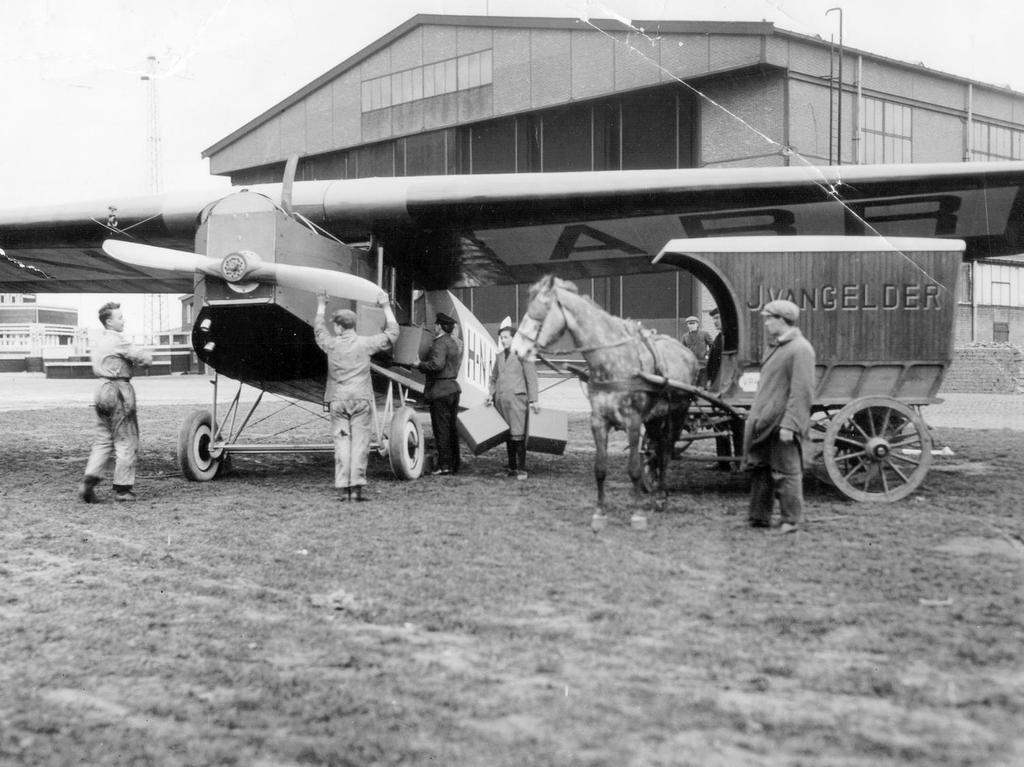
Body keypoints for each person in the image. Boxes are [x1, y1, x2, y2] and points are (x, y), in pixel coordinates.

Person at [314, 288, 398, 501]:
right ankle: (356, 489)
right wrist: (386, 306)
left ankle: (343, 489)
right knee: (360, 445)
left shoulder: (331, 345)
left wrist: (322, 304)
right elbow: (393, 333)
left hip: (338, 400)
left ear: (340, 326)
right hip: (361, 399)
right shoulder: (365, 343)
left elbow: (319, 329)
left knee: (342, 443)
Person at [742, 299, 816, 534]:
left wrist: (790, 425)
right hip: (765, 420)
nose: (765, 323)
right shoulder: (778, 347)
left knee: (787, 471)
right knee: (760, 467)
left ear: (782, 321)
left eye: (769, 318)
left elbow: (802, 391)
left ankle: (790, 521)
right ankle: (759, 517)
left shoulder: (800, 349)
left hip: (781, 422)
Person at [78, 301, 153, 503]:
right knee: (127, 439)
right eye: (120, 317)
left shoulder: (100, 342)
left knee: (103, 439)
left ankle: (89, 480)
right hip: (119, 390)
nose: (123, 320)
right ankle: (123, 489)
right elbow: (144, 359)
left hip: (100, 389)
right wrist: (147, 357)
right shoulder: (118, 341)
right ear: (109, 322)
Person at [486, 320, 540, 480]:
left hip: (518, 402)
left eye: (506, 337)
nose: (503, 340)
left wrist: (534, 400)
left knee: (519, 436)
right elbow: (493, 378)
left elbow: (532, 378)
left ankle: (522, 469)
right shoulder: (500, 356)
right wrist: (491, 393)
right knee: (508, 436)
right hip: (501, 402)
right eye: (501, 338)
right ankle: (511, 468)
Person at [414, 311, 463, 475]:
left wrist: (419, 364)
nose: (434, 327)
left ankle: (444, 465)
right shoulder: (453, 342)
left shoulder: (439, 343)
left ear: (439, 327)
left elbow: (437, 365)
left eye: (435, 325)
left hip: (440, 390)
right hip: (453, 389)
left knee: (441, 430)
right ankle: (454, 464)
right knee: (451, 429)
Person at [706, 307, 743, 471]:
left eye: (718, 318)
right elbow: (713, 364)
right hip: (717, 388)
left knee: (736, 425)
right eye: (714, 319)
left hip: (729, 389)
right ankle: (723, 461)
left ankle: (740, 460)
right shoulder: (719, 338)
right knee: (718, 424)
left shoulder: (730, 339)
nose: (715, 322)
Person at [681, 315, 714, 387]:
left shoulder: (704, 334)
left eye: (693, 323)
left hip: (703, 363)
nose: (691, 325)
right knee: (692, 385)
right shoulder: (685, 336)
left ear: (697, 324)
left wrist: (708, 354)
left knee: (702, 386)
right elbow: (682, 349)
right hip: (691, 365)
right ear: (687, 325)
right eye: (690, 324)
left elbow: (712, 345)